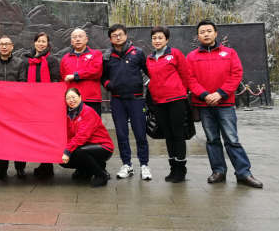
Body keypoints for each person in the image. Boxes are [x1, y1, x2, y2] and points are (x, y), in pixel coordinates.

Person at [187, 20, 263, 188]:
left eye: (209, 31)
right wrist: (206, 95)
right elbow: (189, 79)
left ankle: (244, 173)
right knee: (212, 139)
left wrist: (220, 93)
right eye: (202, 32)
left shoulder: (229, 53)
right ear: (198, 36)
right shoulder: (192, 57)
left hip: (225, 104)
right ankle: (218, 171)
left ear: (216, 33)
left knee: (232, 139)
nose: (206, 34)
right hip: (204, 104)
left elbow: (236, 75)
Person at [101, 24, 152, 180]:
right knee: (121, 134)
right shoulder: (107, 56)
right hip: (117, 100)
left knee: (140, 134)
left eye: (121, 34)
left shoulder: (138, 53)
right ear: (110, 38)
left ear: (126, 35)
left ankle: (144, 165)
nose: (118, 37)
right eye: (114, 35)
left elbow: (149, 71)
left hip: (137, 99)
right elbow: (103, 76)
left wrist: (145, 86)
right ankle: (127, 164)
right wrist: (110, 86)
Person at [146, 26, 189, 182]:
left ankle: (181, 170)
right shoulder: (150, 58)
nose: (157, 41)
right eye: (154, 38)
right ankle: (173, 168)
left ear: (167, 39)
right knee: (168, 135)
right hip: (158, 101)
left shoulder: (175, 54)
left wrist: (180, 91)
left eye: (160, 38)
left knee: (178, 134)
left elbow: (185, 75)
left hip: (175, 100)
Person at [0, 35, 27, 179]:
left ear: (12, 46)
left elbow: (22, 83)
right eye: (1, 44)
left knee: (19, 139)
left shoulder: (21, 63)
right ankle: (2, 169)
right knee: (1, 140)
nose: (4, 47)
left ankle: (20, 167)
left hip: (17, 109)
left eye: (7, 44)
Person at [23, 32, 60, 178]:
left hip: (46, 103)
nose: (41, 44)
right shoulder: (27, 61)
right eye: (38, 41)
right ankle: (43, 163)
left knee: (46, 134)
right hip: (31, 103)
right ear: (34, 43)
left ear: (47, 44)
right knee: (36, 134)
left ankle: (47, 165)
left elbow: (55, 80)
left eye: (44, 41)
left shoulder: (52, 60)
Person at [60, 88, 114, 188]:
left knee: (77, 152)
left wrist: (67, 151)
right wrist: (63, 150)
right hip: (87, 146)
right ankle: (87, 171)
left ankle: (101, 176)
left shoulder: (87, 111)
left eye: (73, 97)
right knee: (62, 158)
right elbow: (70, 136)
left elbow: (82, 136)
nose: (71, 100)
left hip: (103, 146)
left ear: (80, 97)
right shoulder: (69, 115)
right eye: (68, 98)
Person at [60, 28, 103, 116]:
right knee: (72, 128)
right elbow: (62, 79)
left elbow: (96, 71)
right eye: (75, 37)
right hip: (72, 102)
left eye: (80, 36)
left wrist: (75, 75)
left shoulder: (96, 54)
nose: (78, 39)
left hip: (91, 99)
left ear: (86, 39)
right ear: (71, 41)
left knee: (93, 127)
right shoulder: (65, 58)